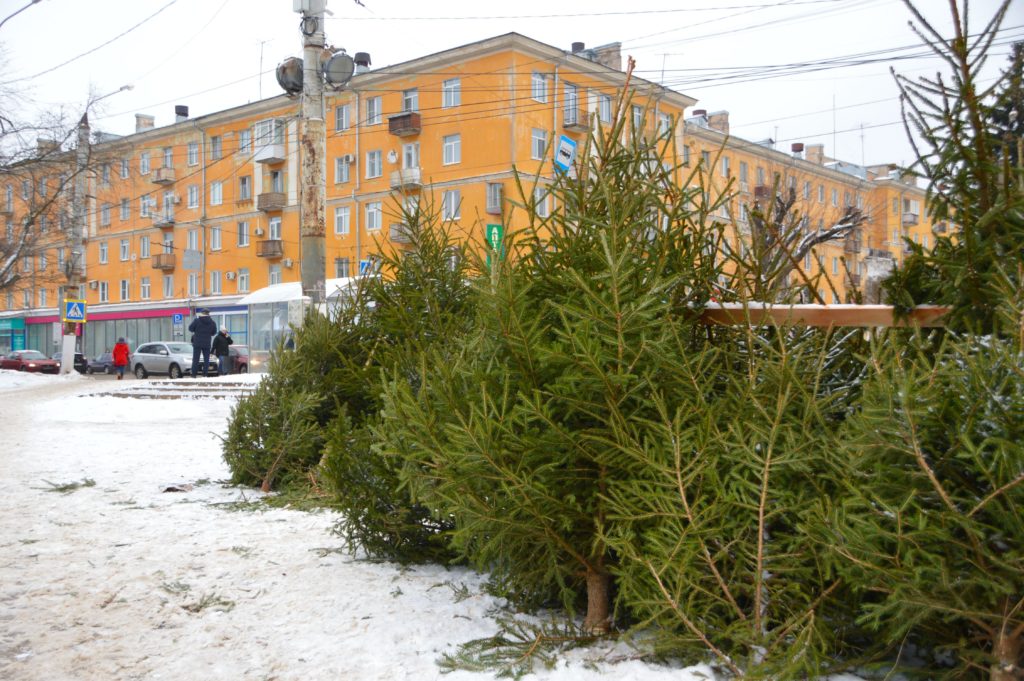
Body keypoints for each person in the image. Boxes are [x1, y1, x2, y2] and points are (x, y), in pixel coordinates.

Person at [187, 308, 217, 377]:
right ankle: (205, 374)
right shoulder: (212, 322)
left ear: (202, 313)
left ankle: (194, 374)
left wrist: (196, 330)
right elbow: (213, 333)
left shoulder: (197, 321)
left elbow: (190, 328)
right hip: (207, 343)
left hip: (197, 343)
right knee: (206, 359)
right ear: (208, 314)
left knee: (196, 359)